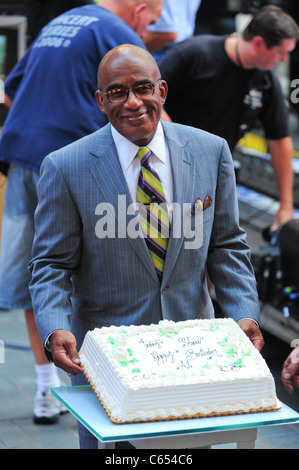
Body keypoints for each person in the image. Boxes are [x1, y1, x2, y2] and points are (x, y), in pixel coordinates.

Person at [29, 44, 263, 449]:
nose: (133, 102)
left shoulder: (210, 151)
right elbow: (50, 263)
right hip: (105, 365)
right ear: (101, 101)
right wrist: (55, 328)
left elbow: (226, 245)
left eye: (142, 87)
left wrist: (244, 313)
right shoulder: (66, 167)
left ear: (163, 91)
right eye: (117, 92)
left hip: (193, 358)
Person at [0, 0, 162, 425]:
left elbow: (9, 89)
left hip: (22, 154)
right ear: (139, 8)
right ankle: (103, 384)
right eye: (151, 20)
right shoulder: (113, 29)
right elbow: (142, 103)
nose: (149, 29)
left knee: (38, 273)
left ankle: (44, 390)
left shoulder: (62, 21)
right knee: (101, 268)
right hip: (70, 166)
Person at [158, 5, 299, 231]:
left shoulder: (266, 80)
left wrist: (286, 205)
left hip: (212, 178)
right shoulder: (194, 54)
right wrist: (179, 150)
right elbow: (149, 98)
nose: (284, 60)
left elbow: (280, 139)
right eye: (281, 52)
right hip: (167, 170)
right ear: (259, 43)